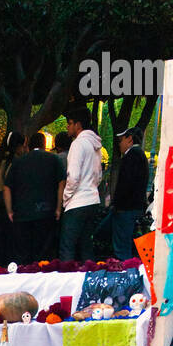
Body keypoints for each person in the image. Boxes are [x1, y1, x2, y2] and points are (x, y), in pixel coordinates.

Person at [3, 133, 63, 264]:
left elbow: (7, 187)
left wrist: (9, 210)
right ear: (44, 144)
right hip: (46, 212)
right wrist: (58, 208)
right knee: (44, 254)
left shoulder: (18, 162)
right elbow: (61, 184)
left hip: (22, 214)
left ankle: (24, 279)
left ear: (28, 145)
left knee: (23, 255)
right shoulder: (53, 159)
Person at [59, 105, 103, 261]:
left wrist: (66, 198)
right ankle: (90, 282)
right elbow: (99, 176)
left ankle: (66, 283)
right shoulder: (95, 145)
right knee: (86, 247)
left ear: (78, 125)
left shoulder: (77, 144)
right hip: (93, 200)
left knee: (67, 247)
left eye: (69, 123)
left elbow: (73, 176)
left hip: (77, 202)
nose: (67, 127)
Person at [111, 126, 150, 260]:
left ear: (129, 139)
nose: (119, 144)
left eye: (121, 140)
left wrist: (116, 204)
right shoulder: (141, 155)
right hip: (134, 207)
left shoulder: (131, 156)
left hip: (125, 208)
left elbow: (126, 184)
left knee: (122, 248)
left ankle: (123, 274)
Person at [0, 131, 25, 265]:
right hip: (12, 208)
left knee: (1, 243)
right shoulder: (15, 164)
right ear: (18, 146)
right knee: (14, 245)